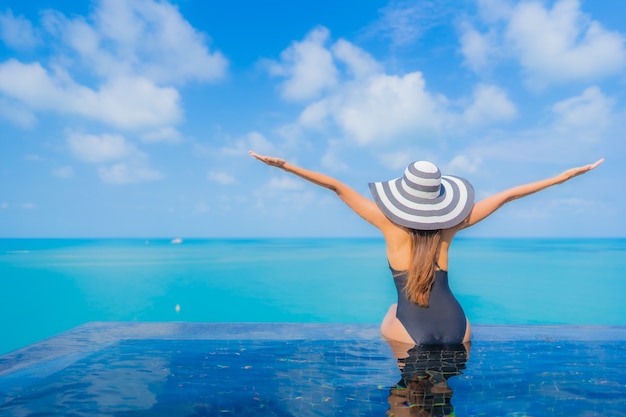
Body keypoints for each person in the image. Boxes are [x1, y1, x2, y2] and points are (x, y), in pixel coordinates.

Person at [249, 151, 603, 346]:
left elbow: (337, 187)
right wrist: (563, 177)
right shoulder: (451, 226)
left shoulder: (387, 223)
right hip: (458, 327)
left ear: (403, 195)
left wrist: (285, 165)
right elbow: (508, 195)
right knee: (444, 396)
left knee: (396, 338)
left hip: (409, 330)